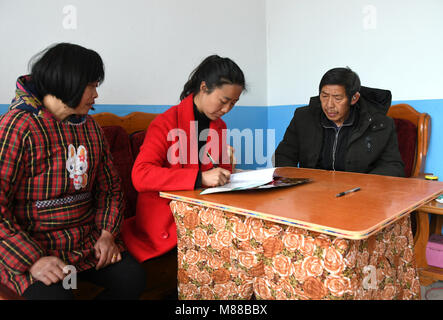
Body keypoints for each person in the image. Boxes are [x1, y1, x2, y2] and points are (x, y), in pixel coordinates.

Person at [0, 43, 146, 300]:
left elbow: (110, 190)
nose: (96, 95)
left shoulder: (89, 128)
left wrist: (106, 234)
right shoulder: (17, 128)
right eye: (92, 85)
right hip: (35, 250)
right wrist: (32, 260)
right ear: (69, 83)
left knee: (132, 278)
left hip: (85, 246)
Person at [121, 55, 246, 262]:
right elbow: (141, 175)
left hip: (201, 212)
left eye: (233, 103)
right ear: (204, 87)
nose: (226, 110)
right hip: (166, 220)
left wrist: (227, 170)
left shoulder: (219, 126)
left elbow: (219, 177)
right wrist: (200, 178)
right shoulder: (165, 123)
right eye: (224, 101)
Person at [274, 67, 405, 177]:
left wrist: (363, 185)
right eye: (324, 96)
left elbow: (393, 166)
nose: (329, 105)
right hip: (312, 194)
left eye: (337, 98)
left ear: (354, 98)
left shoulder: (379, 124)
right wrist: (294, 181)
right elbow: (284, 155)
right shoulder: (303, 117)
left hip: (358, 195)